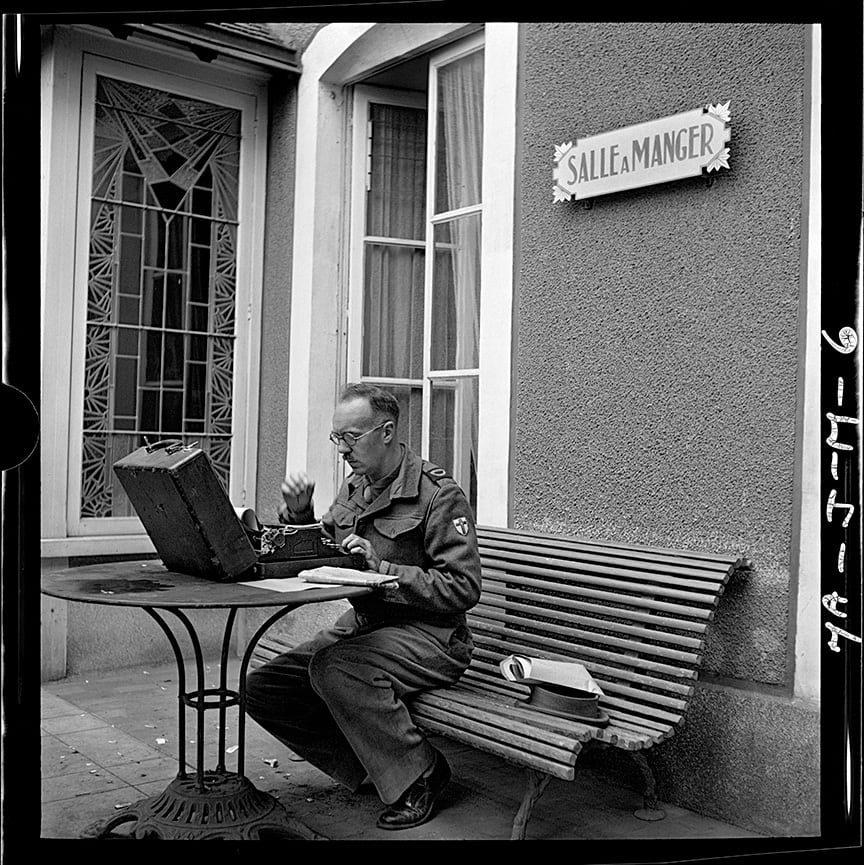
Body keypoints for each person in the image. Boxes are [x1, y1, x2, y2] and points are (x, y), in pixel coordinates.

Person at [245, 382, 482, 830]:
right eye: (338, 438)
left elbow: (464, 586)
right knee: (265, 688)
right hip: (368, 625)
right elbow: (326, 547)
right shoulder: (357, 486)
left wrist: (385, 570)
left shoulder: (437, 494)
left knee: (334, 668)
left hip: (431, 637)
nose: (342, 450)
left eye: (351, 438)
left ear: (387, 431)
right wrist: (300, 515)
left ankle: (419, 774)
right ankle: (377, 771)